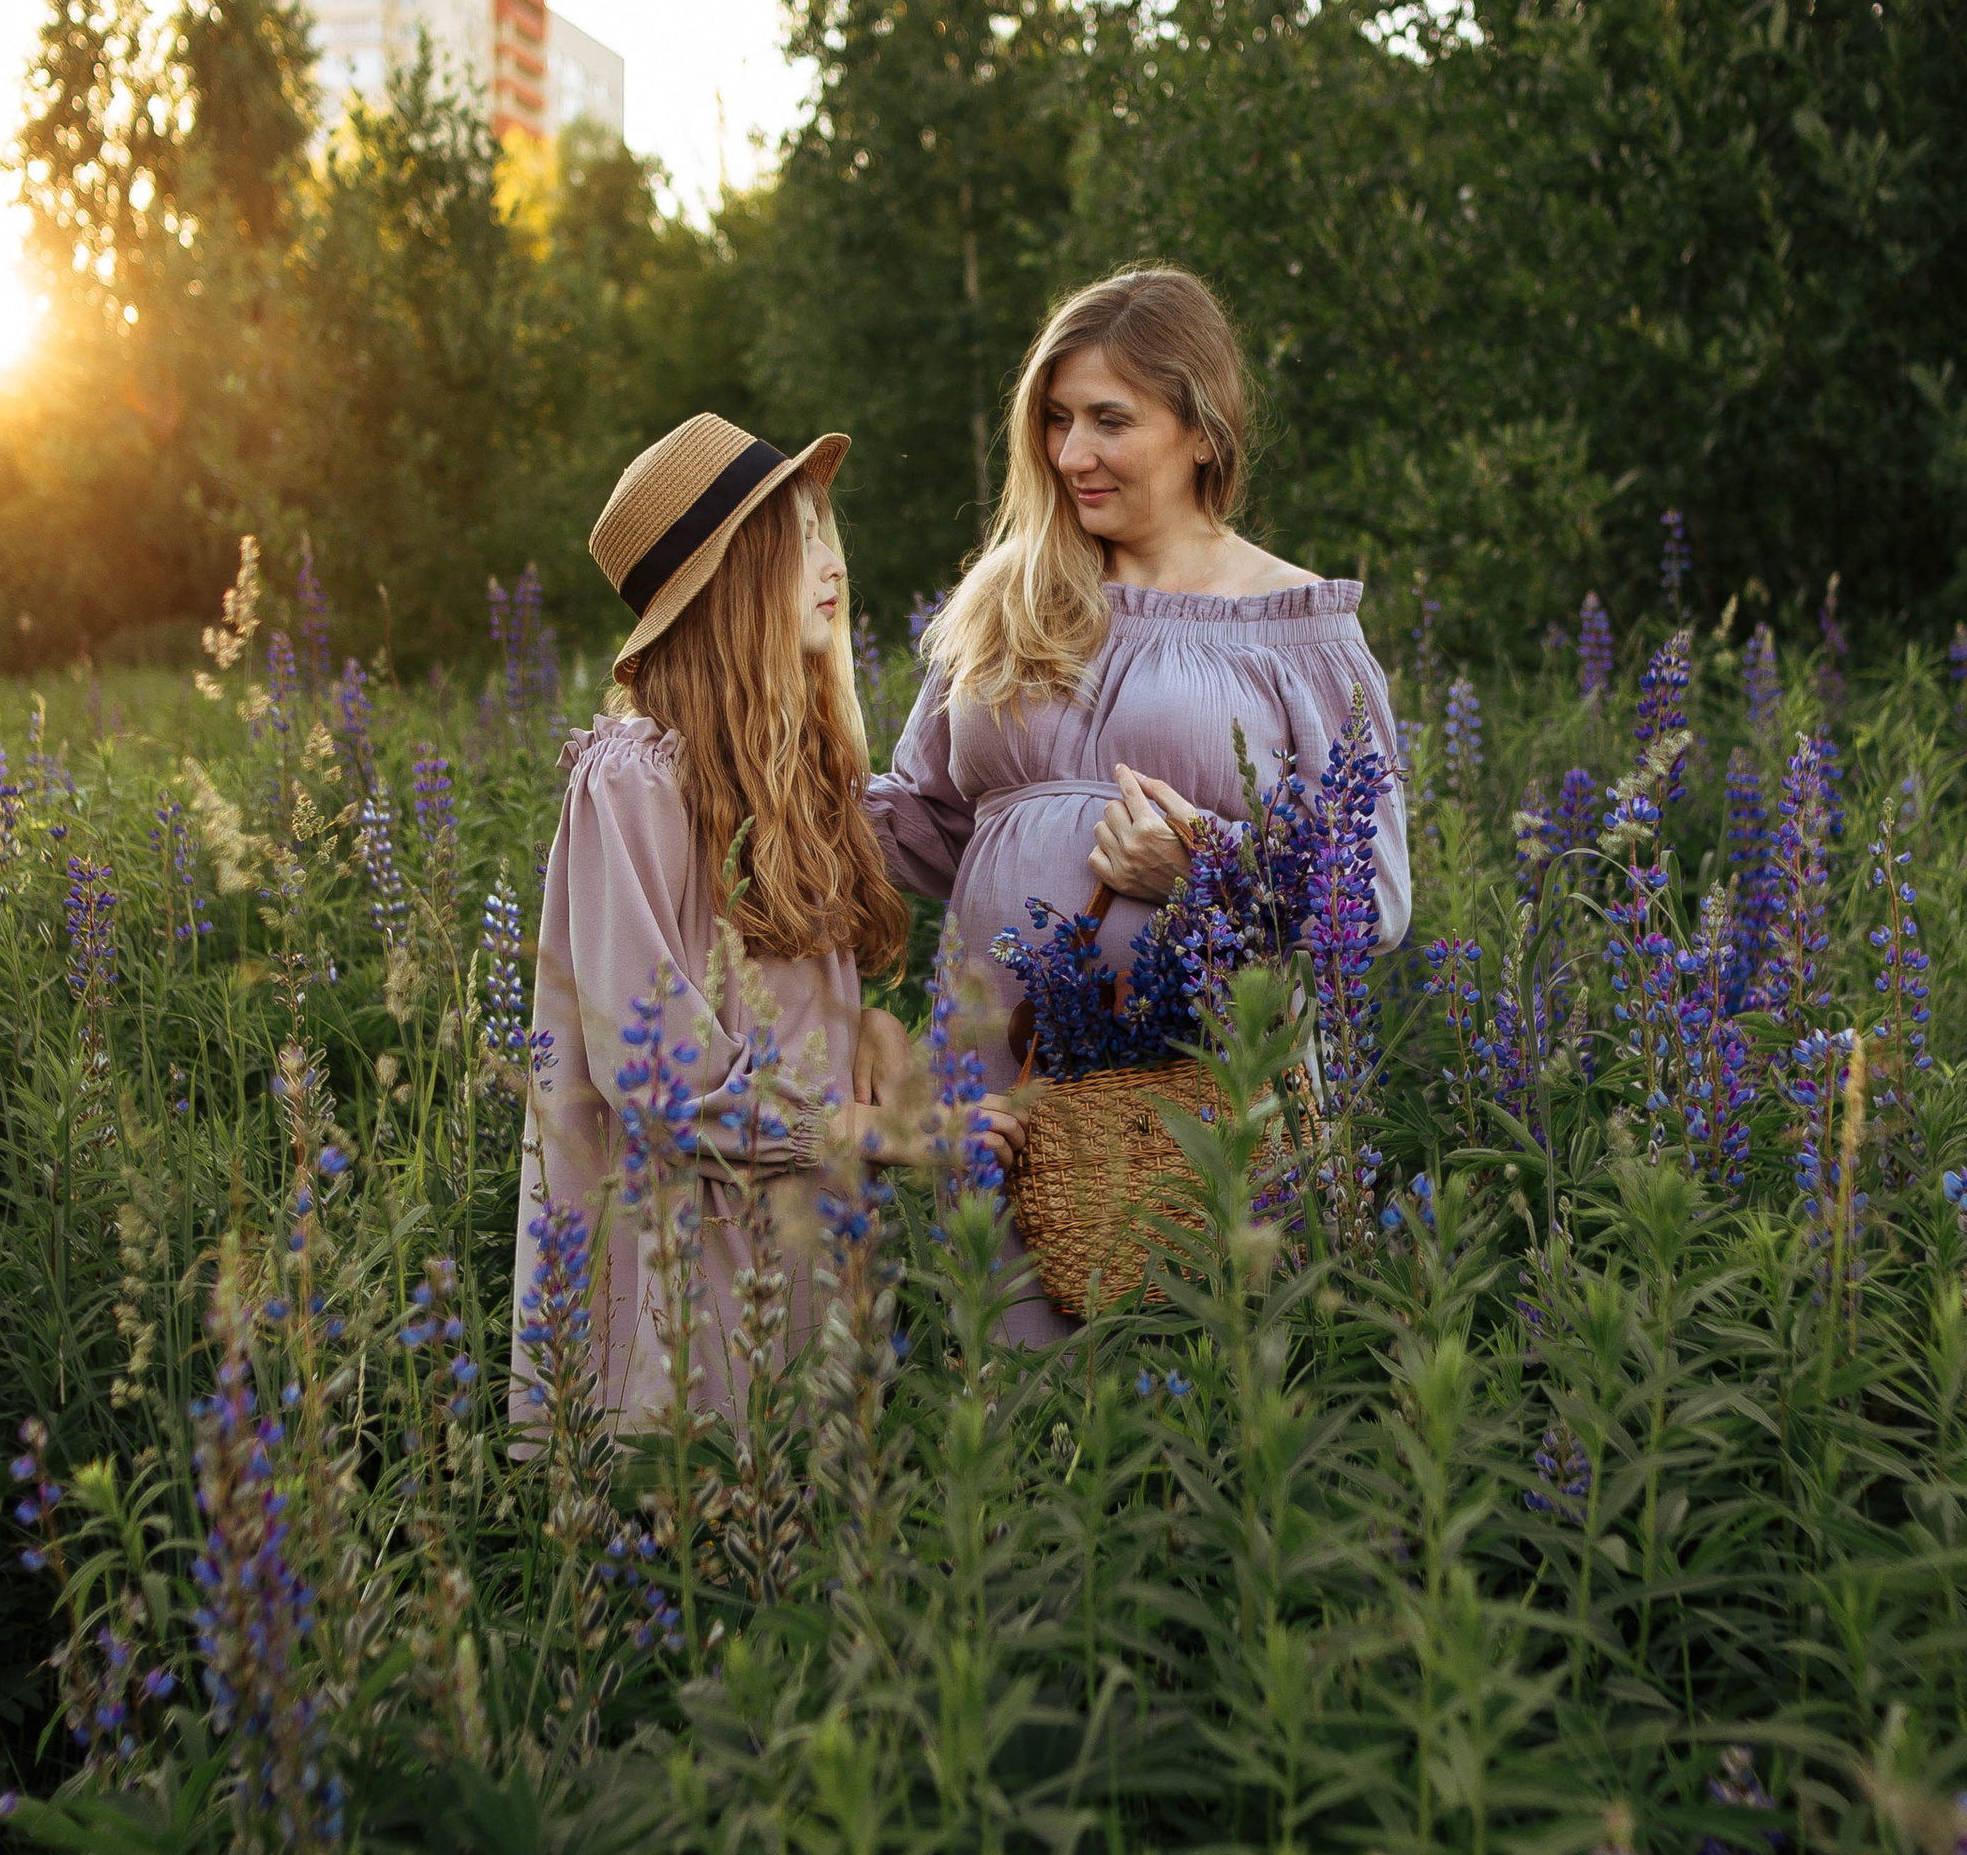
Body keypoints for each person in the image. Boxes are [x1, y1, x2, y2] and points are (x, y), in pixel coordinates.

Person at [866, 265, 1409, 1333]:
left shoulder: (1298, 632)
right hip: (998, 1082)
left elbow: (1375, 898)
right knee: (1005, 1416)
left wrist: (1206, 857)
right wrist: (730, 769)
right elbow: (925, 832)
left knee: (1189, 1406)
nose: (1071, 454)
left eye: (1108, 420)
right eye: (1057, 420)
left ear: (1200, 430)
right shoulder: (1006, 597)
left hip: (1195, 1089)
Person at [510, 411, 964, 1439]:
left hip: (808, 1241)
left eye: (822, 529)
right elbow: (656, 1072)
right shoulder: (633, 782)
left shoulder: (796, 778)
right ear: (722, 585)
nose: (829, 562)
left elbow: (810, 980)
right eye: (793, 539)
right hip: (690, 1256)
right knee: (711, 1533)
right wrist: (855, 1130)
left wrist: (876, 1037)